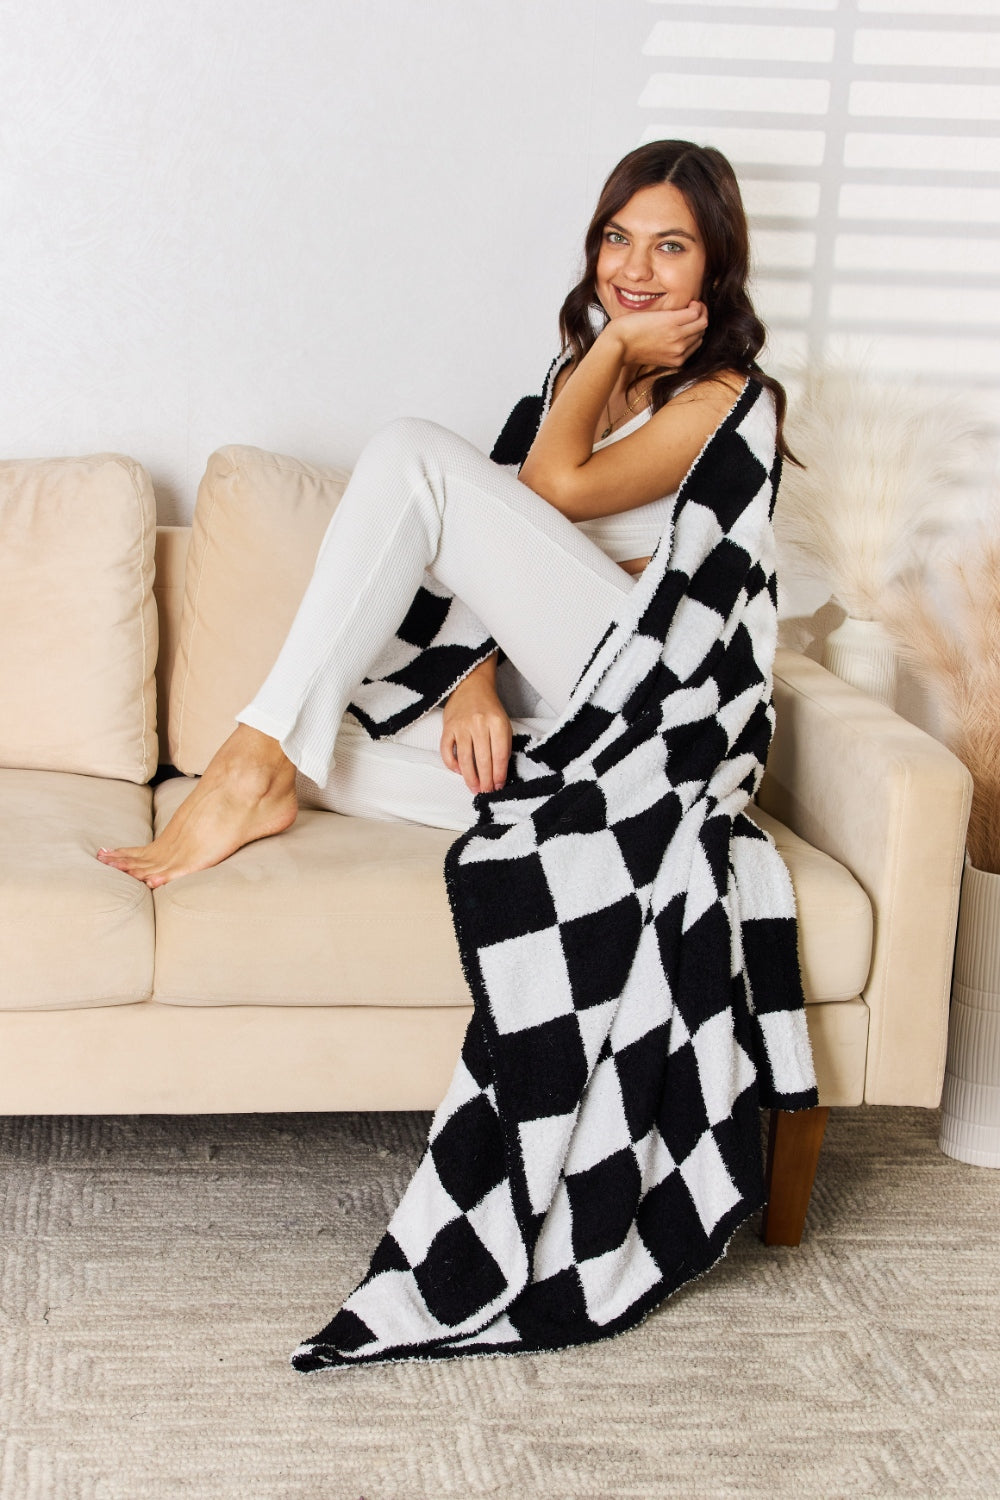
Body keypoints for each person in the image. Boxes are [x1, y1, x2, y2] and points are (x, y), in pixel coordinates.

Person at [97, 139, 793, 887]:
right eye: (618, 238)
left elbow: (551, 488)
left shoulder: (727, 399)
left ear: (715, 268)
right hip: (578, 706)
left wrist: (617, 341)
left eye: (671, 247)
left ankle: (250, 768)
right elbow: (511, 555)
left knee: (412, 456)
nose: (632, 268)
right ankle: (607, 810)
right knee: (321, 754)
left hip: (665, 697)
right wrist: (472, 686)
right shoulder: (575, 377)